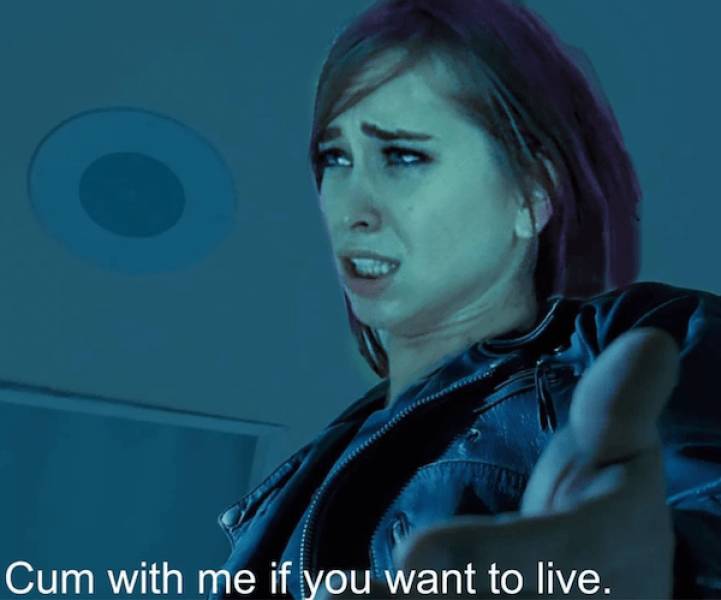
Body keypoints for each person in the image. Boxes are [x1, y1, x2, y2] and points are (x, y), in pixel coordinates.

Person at [212, 1, 721, 598]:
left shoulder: (635, 338)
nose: (352, 206)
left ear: (529, 196)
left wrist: (675, 574)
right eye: (336, 158)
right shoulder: (289, 487)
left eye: (404, 156)